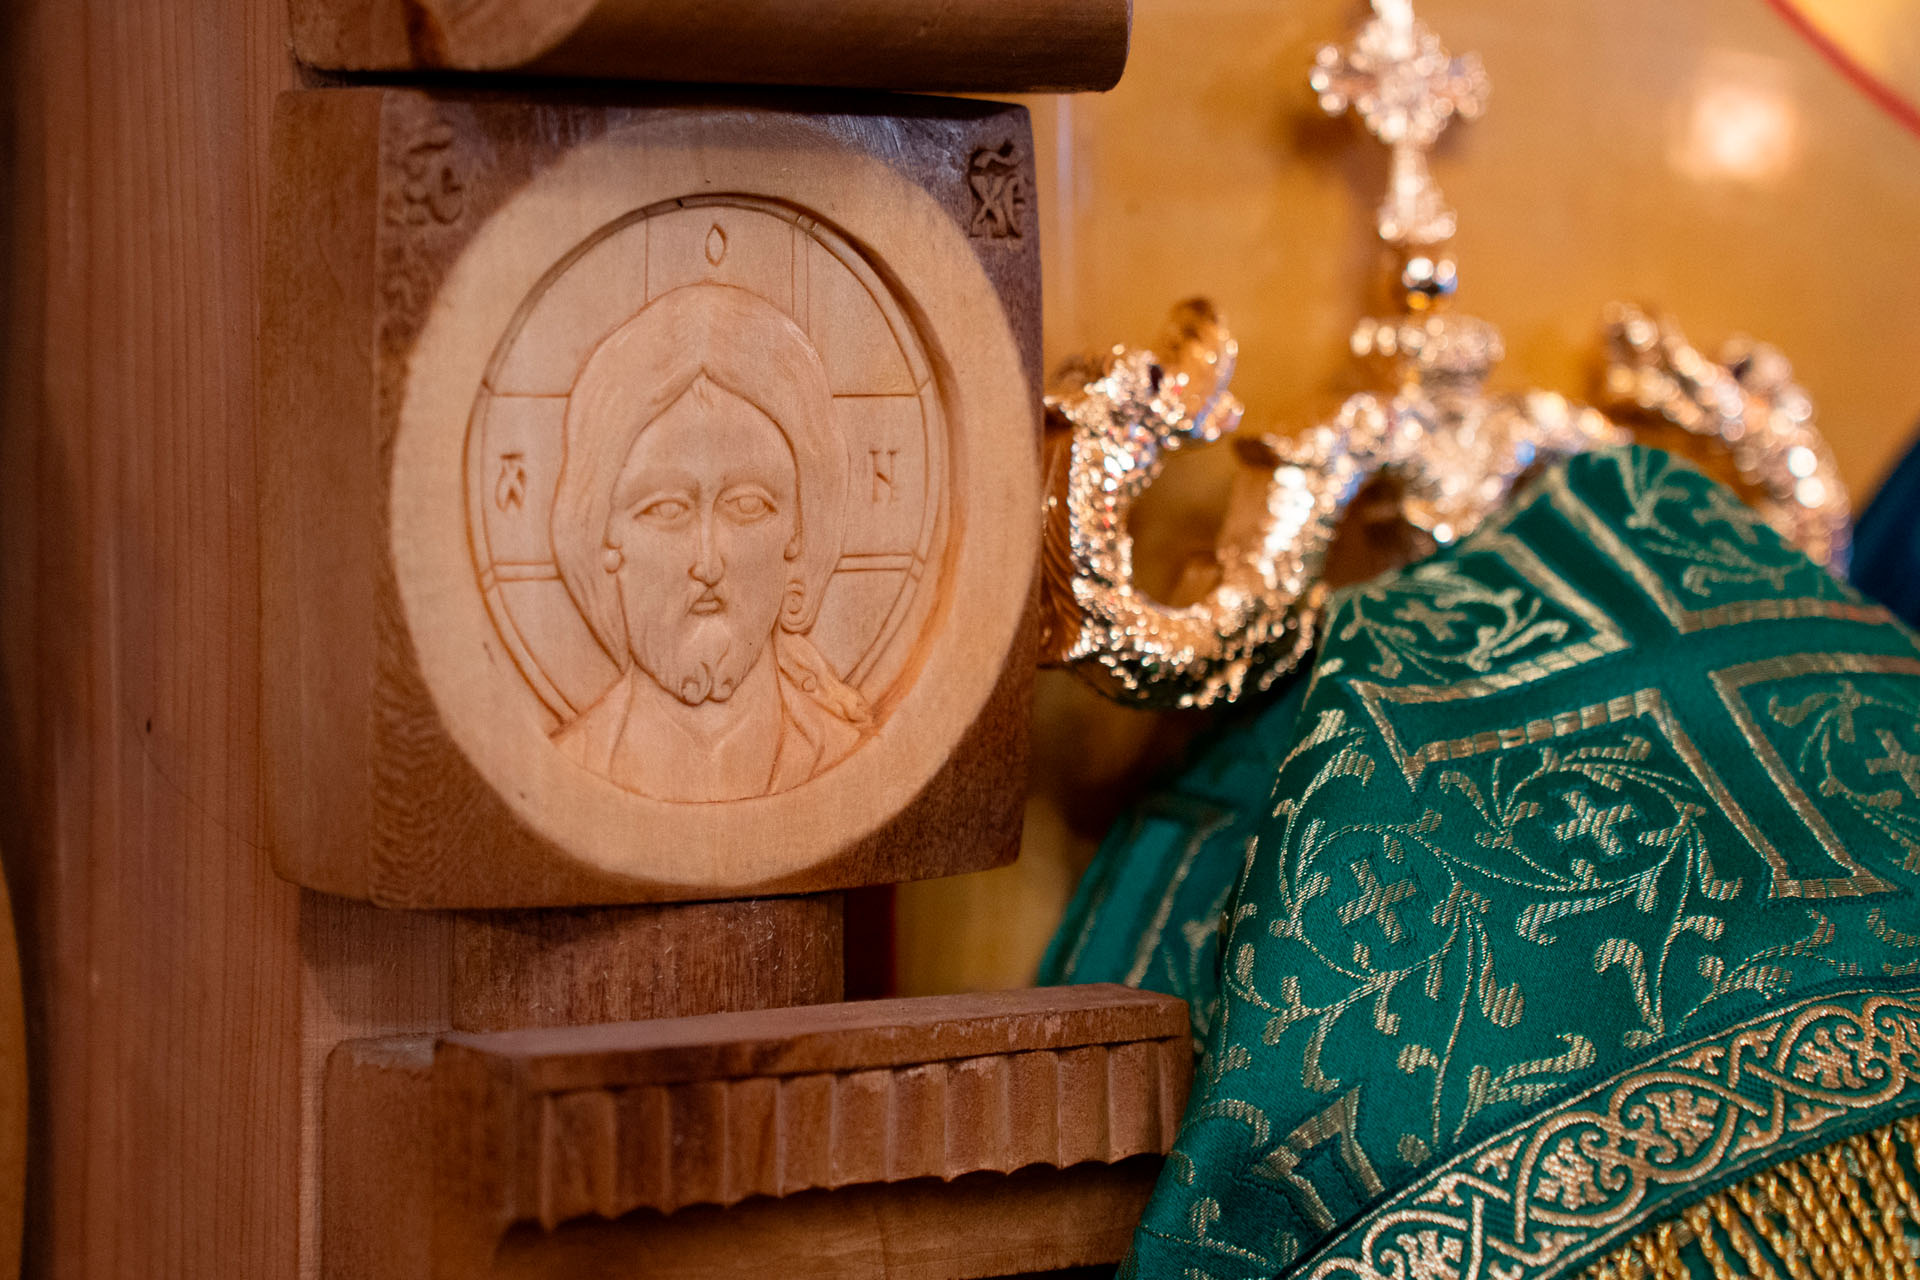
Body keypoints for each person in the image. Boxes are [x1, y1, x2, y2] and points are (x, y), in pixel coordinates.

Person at [548, 284, 870, 803]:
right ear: (606, 540)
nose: (707, 562)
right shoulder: (567, 771)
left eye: (747, 506)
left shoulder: (848, 761)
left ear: (798, 534)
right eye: (666, 510)